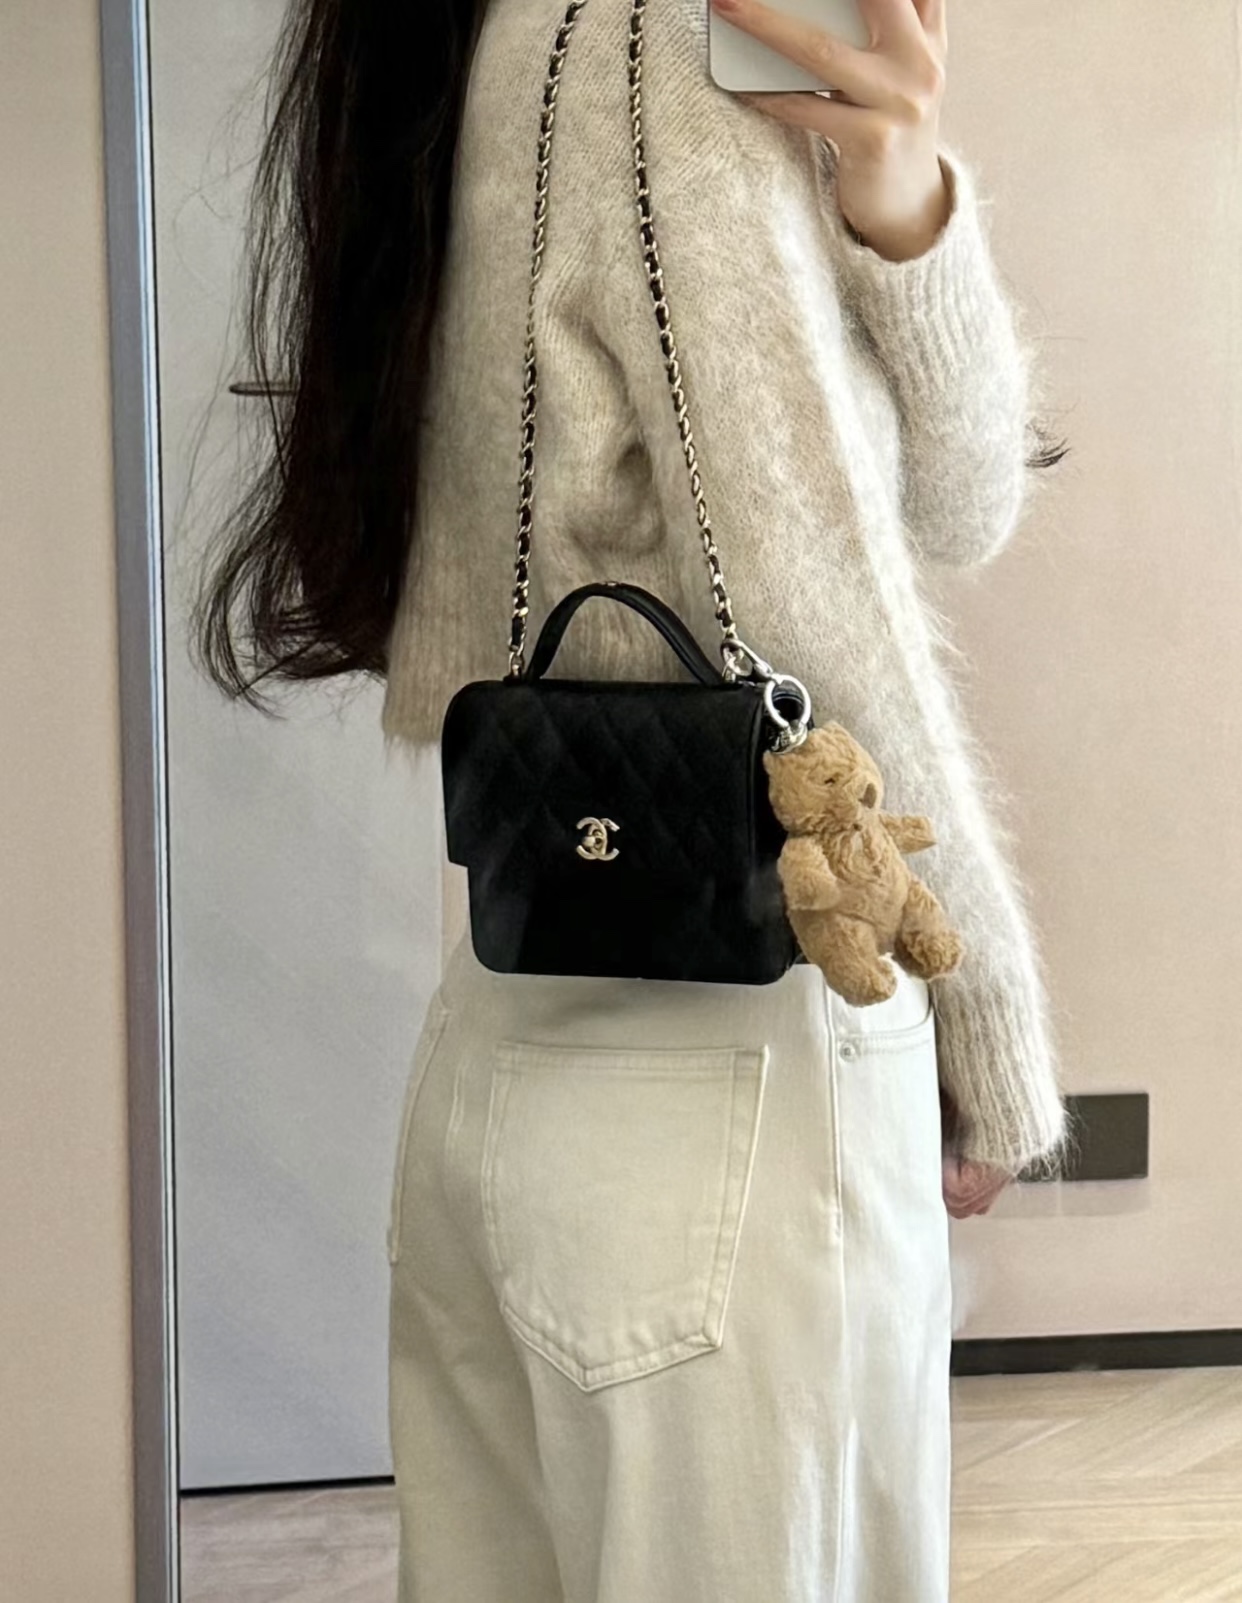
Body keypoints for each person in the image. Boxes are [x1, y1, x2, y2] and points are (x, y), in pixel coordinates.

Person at [191, 0, 1077, 1596]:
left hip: (524, 1043)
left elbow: (960, 500)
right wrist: (982, 1004)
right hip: (736, 1076)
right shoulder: (653, 51)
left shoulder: (477, 40)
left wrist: (901, 201)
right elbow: (801, 583)